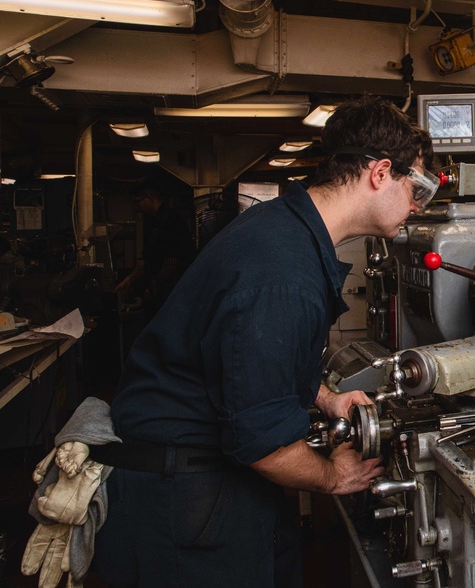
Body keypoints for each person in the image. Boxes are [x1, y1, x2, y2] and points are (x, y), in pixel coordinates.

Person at [93, 95, 439, 586]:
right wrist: (332, 476)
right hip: (185, 495)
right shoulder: (283, 274)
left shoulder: (282, 229)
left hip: (201, 479)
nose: (417, 207)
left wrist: (325, 397)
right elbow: (262, 445)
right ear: (380, 172)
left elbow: (246, 360)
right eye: (418, 188)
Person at [114, 178, 196, 318]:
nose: (136, 207)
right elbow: (147, 258)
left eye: (137, 201)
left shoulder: (170, 220)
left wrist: (155, 285)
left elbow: (173, 258)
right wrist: (130, 279)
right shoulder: (154, 221)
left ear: (149, 198)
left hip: (171, 290)